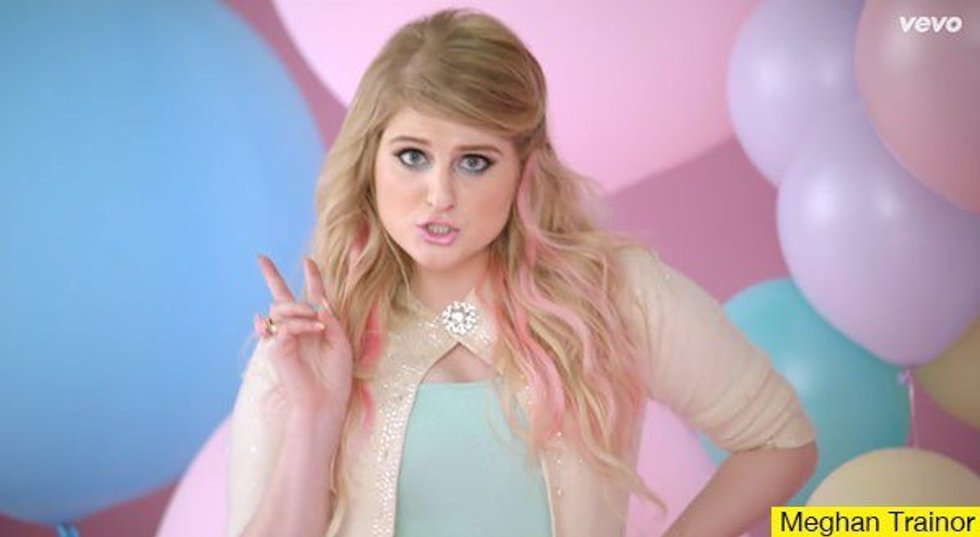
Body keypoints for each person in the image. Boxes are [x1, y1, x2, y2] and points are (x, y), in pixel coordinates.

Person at [226, 8, 818, 537]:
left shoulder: (611, 295)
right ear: (370, 161)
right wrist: (314, 415)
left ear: (522, 171)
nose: (439, 194)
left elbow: (778, 442)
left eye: (474, 162)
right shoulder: (307, 348)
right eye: (412, 156)